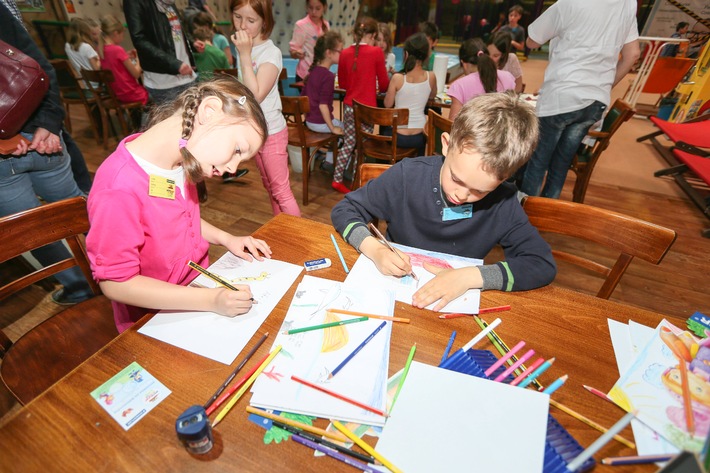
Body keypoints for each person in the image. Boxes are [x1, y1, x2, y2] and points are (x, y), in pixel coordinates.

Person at [331, 93, 556, 310]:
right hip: (393, 295)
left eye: (479, 190)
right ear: (446, 144)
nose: (461, 195)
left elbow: (541, 264)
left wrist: (471, 276)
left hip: (451, 306)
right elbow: (345, 209)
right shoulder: (406, 177)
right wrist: (374, 249)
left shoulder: (503, 202)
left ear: (503, 179)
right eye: (456, 178)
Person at [86, 78, 271, 333]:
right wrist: (211, 300)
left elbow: (181, 218)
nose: (232, 168)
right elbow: (116, 283)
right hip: (153, 319)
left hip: (197, 291)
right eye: (238, 149)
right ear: (209, 111)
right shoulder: (119, 188)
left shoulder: (182, 158)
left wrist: (227, 238)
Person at [0, 3, 94, 305]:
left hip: (21, 145)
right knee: (78, 212)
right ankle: (114, 269)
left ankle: (81, 287)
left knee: (34, 230)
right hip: (41, 134)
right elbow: (40, 68)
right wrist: (50, 123)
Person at [520, 0, 640, 199]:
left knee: (538, 163)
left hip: (562, 95)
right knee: (560, 166)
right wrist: (602, 85)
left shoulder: (568, 3)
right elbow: (632, 54)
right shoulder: (626, 4)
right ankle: (548, 216)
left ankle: (526, 219)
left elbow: (532, 41)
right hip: (595, 101)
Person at [232, 0, 301, 215]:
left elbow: (255, 95)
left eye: (251, 20)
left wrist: (244, 54)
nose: (242, 26)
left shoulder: (270, 53)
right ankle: (280, 230)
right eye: (237, 16)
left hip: (271, 131)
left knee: (281, 191)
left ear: (264, 22)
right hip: (254, 130)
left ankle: (298, 240)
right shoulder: (244, 46)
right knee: (269, 187)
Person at [334, 16, 389, 194]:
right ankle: (359, 180)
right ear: (373, 35)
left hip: (350, 105)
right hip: (367, 109)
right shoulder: (376, 53)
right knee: (363, 144)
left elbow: (342, 84)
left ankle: (339, 178)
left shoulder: (344, 53)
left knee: (349, 142)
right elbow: (385, 84)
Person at [124, 0, 197, 106]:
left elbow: (176, 32)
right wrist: (174, 64)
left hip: (186, 75)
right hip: (163, 81)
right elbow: (139, 40)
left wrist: (192, 43)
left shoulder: (169, 3)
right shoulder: (135, 2)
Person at [383, 32, 436, 157]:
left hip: (398, 135)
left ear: (406, 54)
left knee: (384, 130)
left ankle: (386, 165)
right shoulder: (431, 77)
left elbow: (387, 104)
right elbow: (432, 96)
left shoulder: (397, 78)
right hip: (419, 136)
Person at [447, 38, 516, 120]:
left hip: (473, 132)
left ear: (463, 63)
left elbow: (452, 123)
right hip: (505, 131)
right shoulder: (508, 77)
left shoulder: (459, 86)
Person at [99, 15, 149, 108]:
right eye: (122, 34)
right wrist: (138, 58)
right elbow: (136, 74)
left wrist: (125, 55)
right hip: (133, 93)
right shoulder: (117, 49)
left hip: (119, 94)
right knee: (157, 94)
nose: (123, 37)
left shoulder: (102, 50)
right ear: (115, 33)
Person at [302, 31, 344, 135]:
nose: (343, 53)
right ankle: (331, 151)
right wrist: (332, 128)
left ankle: (325, 150)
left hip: (309, 121)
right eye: (340, 51)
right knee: (348, 129)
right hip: (321, 123)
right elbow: (323, 105)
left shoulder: (313, 72)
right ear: (328, 53)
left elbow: (303, 98)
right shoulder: (328, 76)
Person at [289, 0, 329, 82]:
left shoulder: (326, 25)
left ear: (324, 8)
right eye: (310, 8)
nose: (313, 12)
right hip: (305, 74)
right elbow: (293, 52)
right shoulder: (301, 25)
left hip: (321, 73)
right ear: (306, 7)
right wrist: (296, 53)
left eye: (318, 8)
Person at [64, 17, 100, 86]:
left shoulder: (67, 46)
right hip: (96, 83)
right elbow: (96, 68)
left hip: (84, 82)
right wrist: (99, 59)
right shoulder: (86, 47)